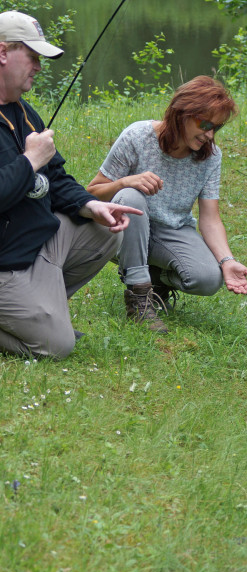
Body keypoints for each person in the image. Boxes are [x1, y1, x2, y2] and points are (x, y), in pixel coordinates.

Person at [0, 11, 142, 358]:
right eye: (32, 56)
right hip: (4, 259)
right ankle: (40, 321)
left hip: (29, 245)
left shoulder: (23, 112)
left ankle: (39, 312)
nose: (38, 66)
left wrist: (91, 205)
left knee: (104, 230)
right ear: (3, 52)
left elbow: (57, 177)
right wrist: (30, 161)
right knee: (56, 346)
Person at [87, 76, 247, 333]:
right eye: (205, 124)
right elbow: (92, 194)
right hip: (123, 228)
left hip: (172, 231)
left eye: (217, 128)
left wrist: (227, 260)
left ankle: (156, 281)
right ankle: (139, 295)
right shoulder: (137, 136)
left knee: (209, 280)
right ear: (182, 113)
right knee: (132, 196)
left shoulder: (211, 157)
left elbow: (210, 218)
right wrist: (125, 182)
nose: (210, 135)